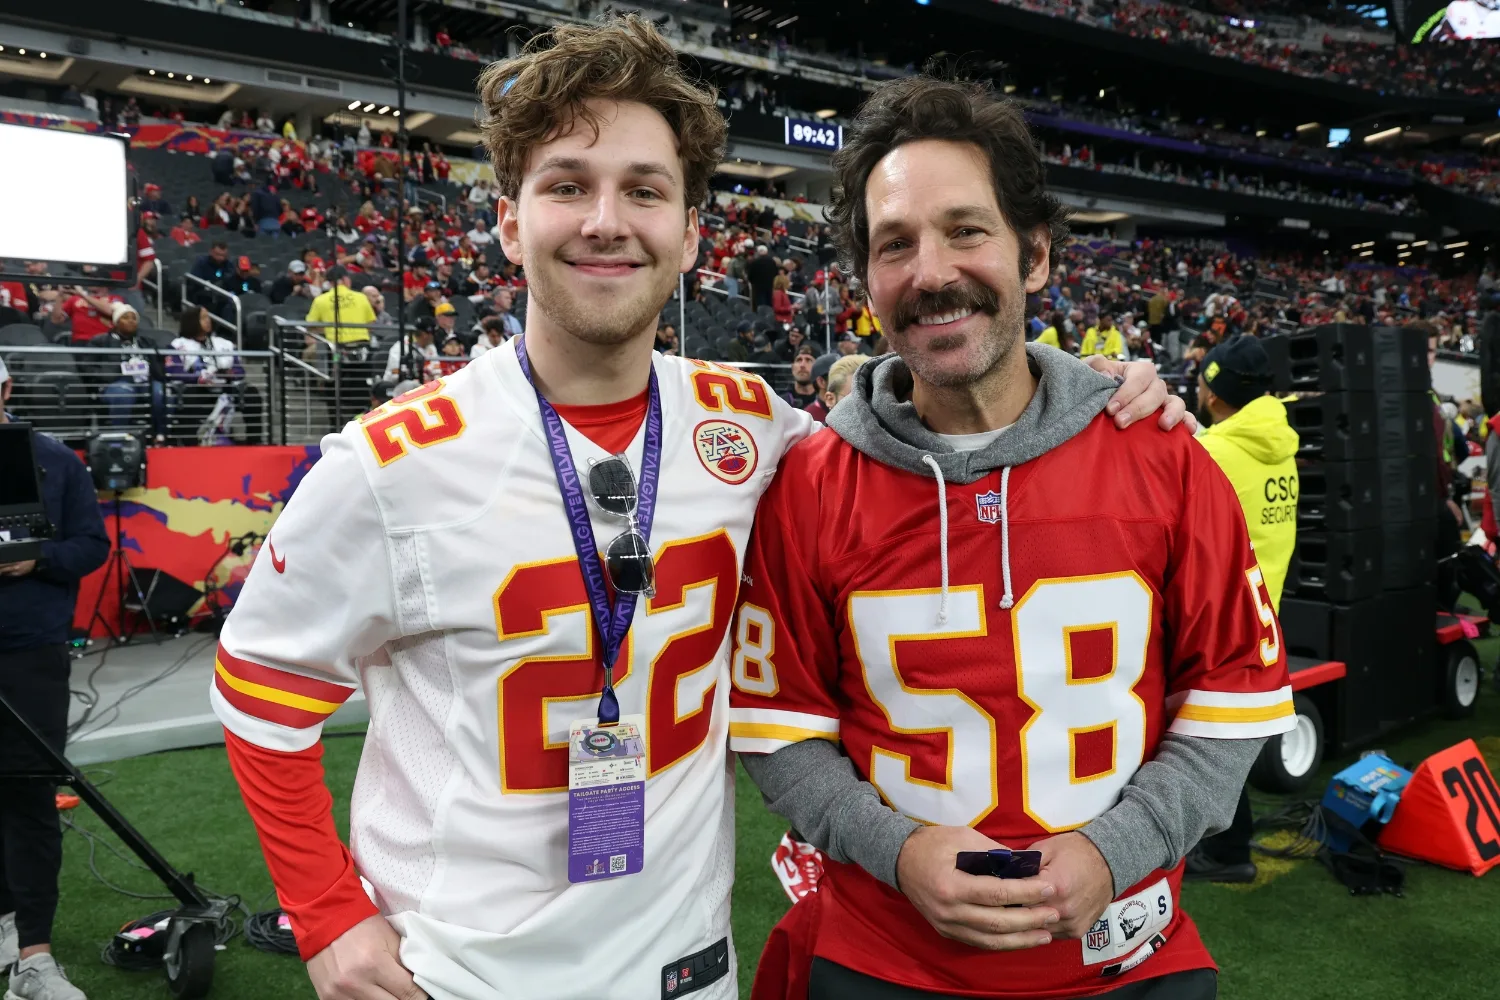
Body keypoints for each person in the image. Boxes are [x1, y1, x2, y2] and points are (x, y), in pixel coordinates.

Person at [214, 20, 1185, 1000]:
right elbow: (259, 690)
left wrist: (1084, 394)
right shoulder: (388, 465)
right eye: (566, 185)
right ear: (509, 221)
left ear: (688, 234)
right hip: (459, 973)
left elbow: (932, 432)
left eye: (643, 189)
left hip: (685, 968)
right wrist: (330, 915)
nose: (605, 219)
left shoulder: (757, 431)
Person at [730, 75, 1283, 1000]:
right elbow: (780, 730)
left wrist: (1118, 849)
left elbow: (1230, 706)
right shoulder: (810, 485)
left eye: (965, 229)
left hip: (1125, 954)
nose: (932, 270)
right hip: (883, 958)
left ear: (1035, 254)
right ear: (867, 282)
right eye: (895, 245)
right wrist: (897, 849)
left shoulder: (1165, 459)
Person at [0, 357, 110, 1000]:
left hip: (29, 651)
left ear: (8, 389)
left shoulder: (56, 462)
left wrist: (33, 559)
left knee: (29, 793)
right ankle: (7, 925)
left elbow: (90, 547)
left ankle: (35, 958)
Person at [1184, 336, 1298, 885]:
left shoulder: (1214, 453)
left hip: (1220, 616)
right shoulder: (1279, 446)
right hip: (1263, 606)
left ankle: (1229, 852)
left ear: (1213, 390)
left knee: (1206, 743)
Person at [90, 304, 169, 442]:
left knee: (161, 392)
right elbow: (89, 367)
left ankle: (160, 434)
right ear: (116, 322)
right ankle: (120, 437)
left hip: (145, 380)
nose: (131, 321)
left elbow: (158, 365)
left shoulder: (146, 342)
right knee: (123, 393)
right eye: (126, 317)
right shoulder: (101, 341)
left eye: (134, 318)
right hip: (116, 381)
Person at [783, 344, 821, 411]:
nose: (802, 365)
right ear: (792, 367)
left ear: (817, 368)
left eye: (808, 360)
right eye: (799, 360)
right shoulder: (781, 402)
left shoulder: (825, 403)